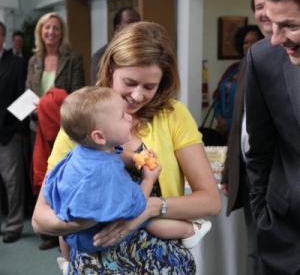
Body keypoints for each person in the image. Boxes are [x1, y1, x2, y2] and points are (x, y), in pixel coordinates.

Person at [32, 21, 221, 274]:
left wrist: (147, 210)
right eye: (130, 82)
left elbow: (210, 201)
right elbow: (39, 218)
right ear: (111, 69)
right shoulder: (83, 118)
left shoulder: (173, 115)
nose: (137, 96)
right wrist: (95, 217)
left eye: (149, 86)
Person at [45, 86, 212, 272]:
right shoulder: (107, 173)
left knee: (65, 231)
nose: (130, 117)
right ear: (99, 136)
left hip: (73, 235)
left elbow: (114, 155)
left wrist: (133, 157)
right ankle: (190, 230)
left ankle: (67, 263)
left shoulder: (84, 151)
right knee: (146, 221)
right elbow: (135, 206)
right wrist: (148, 179)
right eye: (122, 116)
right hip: (96, 238)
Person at [245, 0, 300, 274]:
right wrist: (262, 215)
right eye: (273, 24)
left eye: (290, 26)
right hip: (287, 235)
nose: (277, 39)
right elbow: (260, 148)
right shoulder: (263, 58)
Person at [221, 0, 272, 275]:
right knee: (255, 251)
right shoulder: (251, 59)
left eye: (268, 4)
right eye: (258, 6)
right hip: (252, 174)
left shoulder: (290, 56)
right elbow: (238, 123)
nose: (263, 12)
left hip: (283, 176)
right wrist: (231, 168)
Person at [26, 12, 85, 250]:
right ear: (40, 32)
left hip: (64, 128)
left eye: (56, 28)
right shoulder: (34, 61)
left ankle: (65, 227)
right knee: (44, 176)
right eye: (47, 28)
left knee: (64, 177)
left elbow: (78, 93)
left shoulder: (73, 57)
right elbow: (29, 91)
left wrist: (52, 104)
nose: (51, 32)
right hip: (37, 126)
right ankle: (49, 230)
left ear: (62, 33)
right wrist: (38, 108)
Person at [0, 21, 27, 243]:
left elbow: (26, 99)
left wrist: (13, 128)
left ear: (3, 37)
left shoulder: (17, 64)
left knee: (12, 183)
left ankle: (14, 224)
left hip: (7, 133)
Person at [213, 25, 263, 139]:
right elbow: (216, 98)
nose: (249, 46)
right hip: (224, 132)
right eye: (245, 42)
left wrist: (231, 124)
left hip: (248, 134)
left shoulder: (263, 69)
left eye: (254, 42)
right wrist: (221, 120)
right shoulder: (233, 68)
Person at [90, 7, 140, 85]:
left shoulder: (143, 50)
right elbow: (98, 88)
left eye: (138, 22)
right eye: (130, 22)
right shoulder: (101, 55)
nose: (136, 26)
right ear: (117, 28)